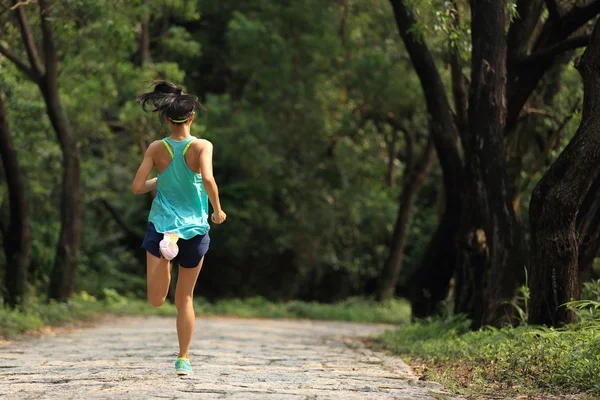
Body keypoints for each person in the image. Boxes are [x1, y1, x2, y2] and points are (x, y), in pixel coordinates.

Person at [131, 81, 226, 375]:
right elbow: (208, 180)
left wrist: (158, 181)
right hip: (195, 228)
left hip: (161, 225)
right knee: (185, 298)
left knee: (156, 299)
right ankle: (183, 358)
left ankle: (167, 250)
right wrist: (218, 210)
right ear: (191, 117)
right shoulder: (202, 146)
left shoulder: (156, 148)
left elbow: (136, 187)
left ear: (165, 118)